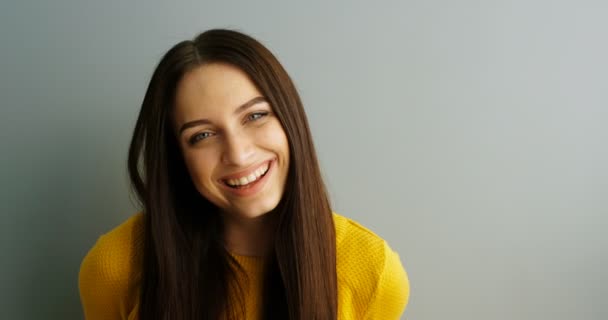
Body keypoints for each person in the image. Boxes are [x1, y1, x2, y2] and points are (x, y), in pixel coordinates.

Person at [78, 29, 409, 320]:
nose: (238, 154)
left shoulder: (373, 271)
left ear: (289, 119)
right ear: (177, 158)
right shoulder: (114, 268)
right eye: (202, 135)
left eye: (255, 116)